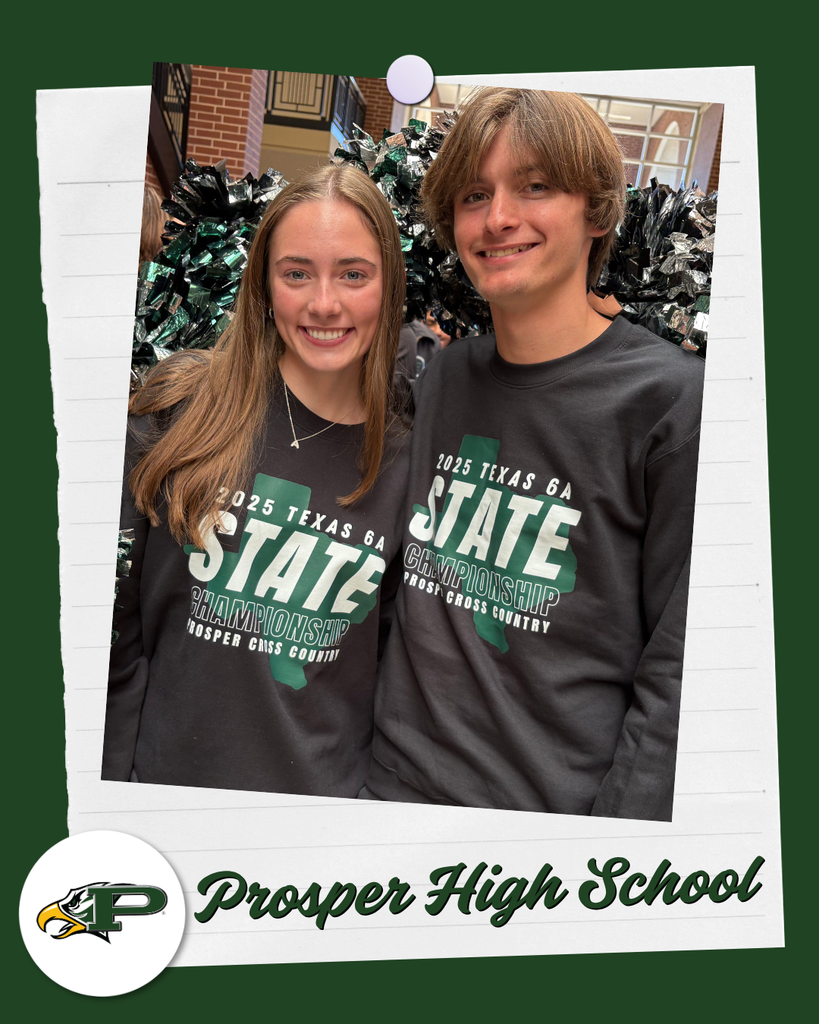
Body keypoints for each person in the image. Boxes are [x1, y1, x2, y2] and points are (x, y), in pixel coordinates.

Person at [364, 88, 705, 821]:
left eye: (535, 186)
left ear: (598, 211)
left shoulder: (670, 406)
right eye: (473, 194)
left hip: (541, 827)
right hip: (381, 787)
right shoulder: (444, 377)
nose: (496, 219)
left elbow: (681, 673)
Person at [102, 164, 409, 797]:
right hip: (158, 795)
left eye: (354, 274)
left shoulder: (410, 464)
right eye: (297, 273)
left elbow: (393, 674)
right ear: (264, 286)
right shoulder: (179, 406)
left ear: (389, 288)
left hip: (316, 827)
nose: (325, 303)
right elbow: (114, 631)